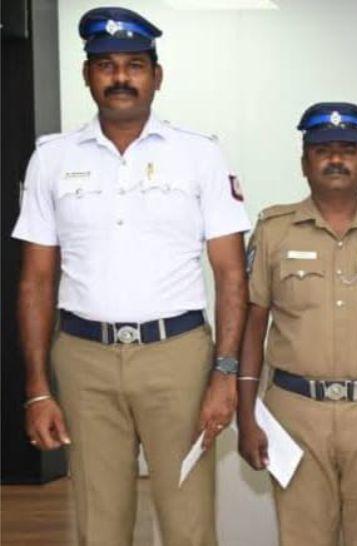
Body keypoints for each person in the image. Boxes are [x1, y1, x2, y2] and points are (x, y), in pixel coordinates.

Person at [14, 7, 250, 545]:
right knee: (99, 524)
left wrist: (224, 372)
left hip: (178, 357)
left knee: (189, 523)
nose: (120, 77)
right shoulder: (51, 159)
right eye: (106, 65)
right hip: (84, 360)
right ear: (87, 75)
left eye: (135, 65)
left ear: (156, 76)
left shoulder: (199, 155)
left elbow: (231, 274)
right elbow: (35, 282)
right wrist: (37, 388)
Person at [237, 102, 357, 545]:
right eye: (323, 151)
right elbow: (253, 323)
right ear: (304, 163)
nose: (336, 159)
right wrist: (246, 413)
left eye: (348, 150)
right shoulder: (274, 229)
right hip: (295, 413)